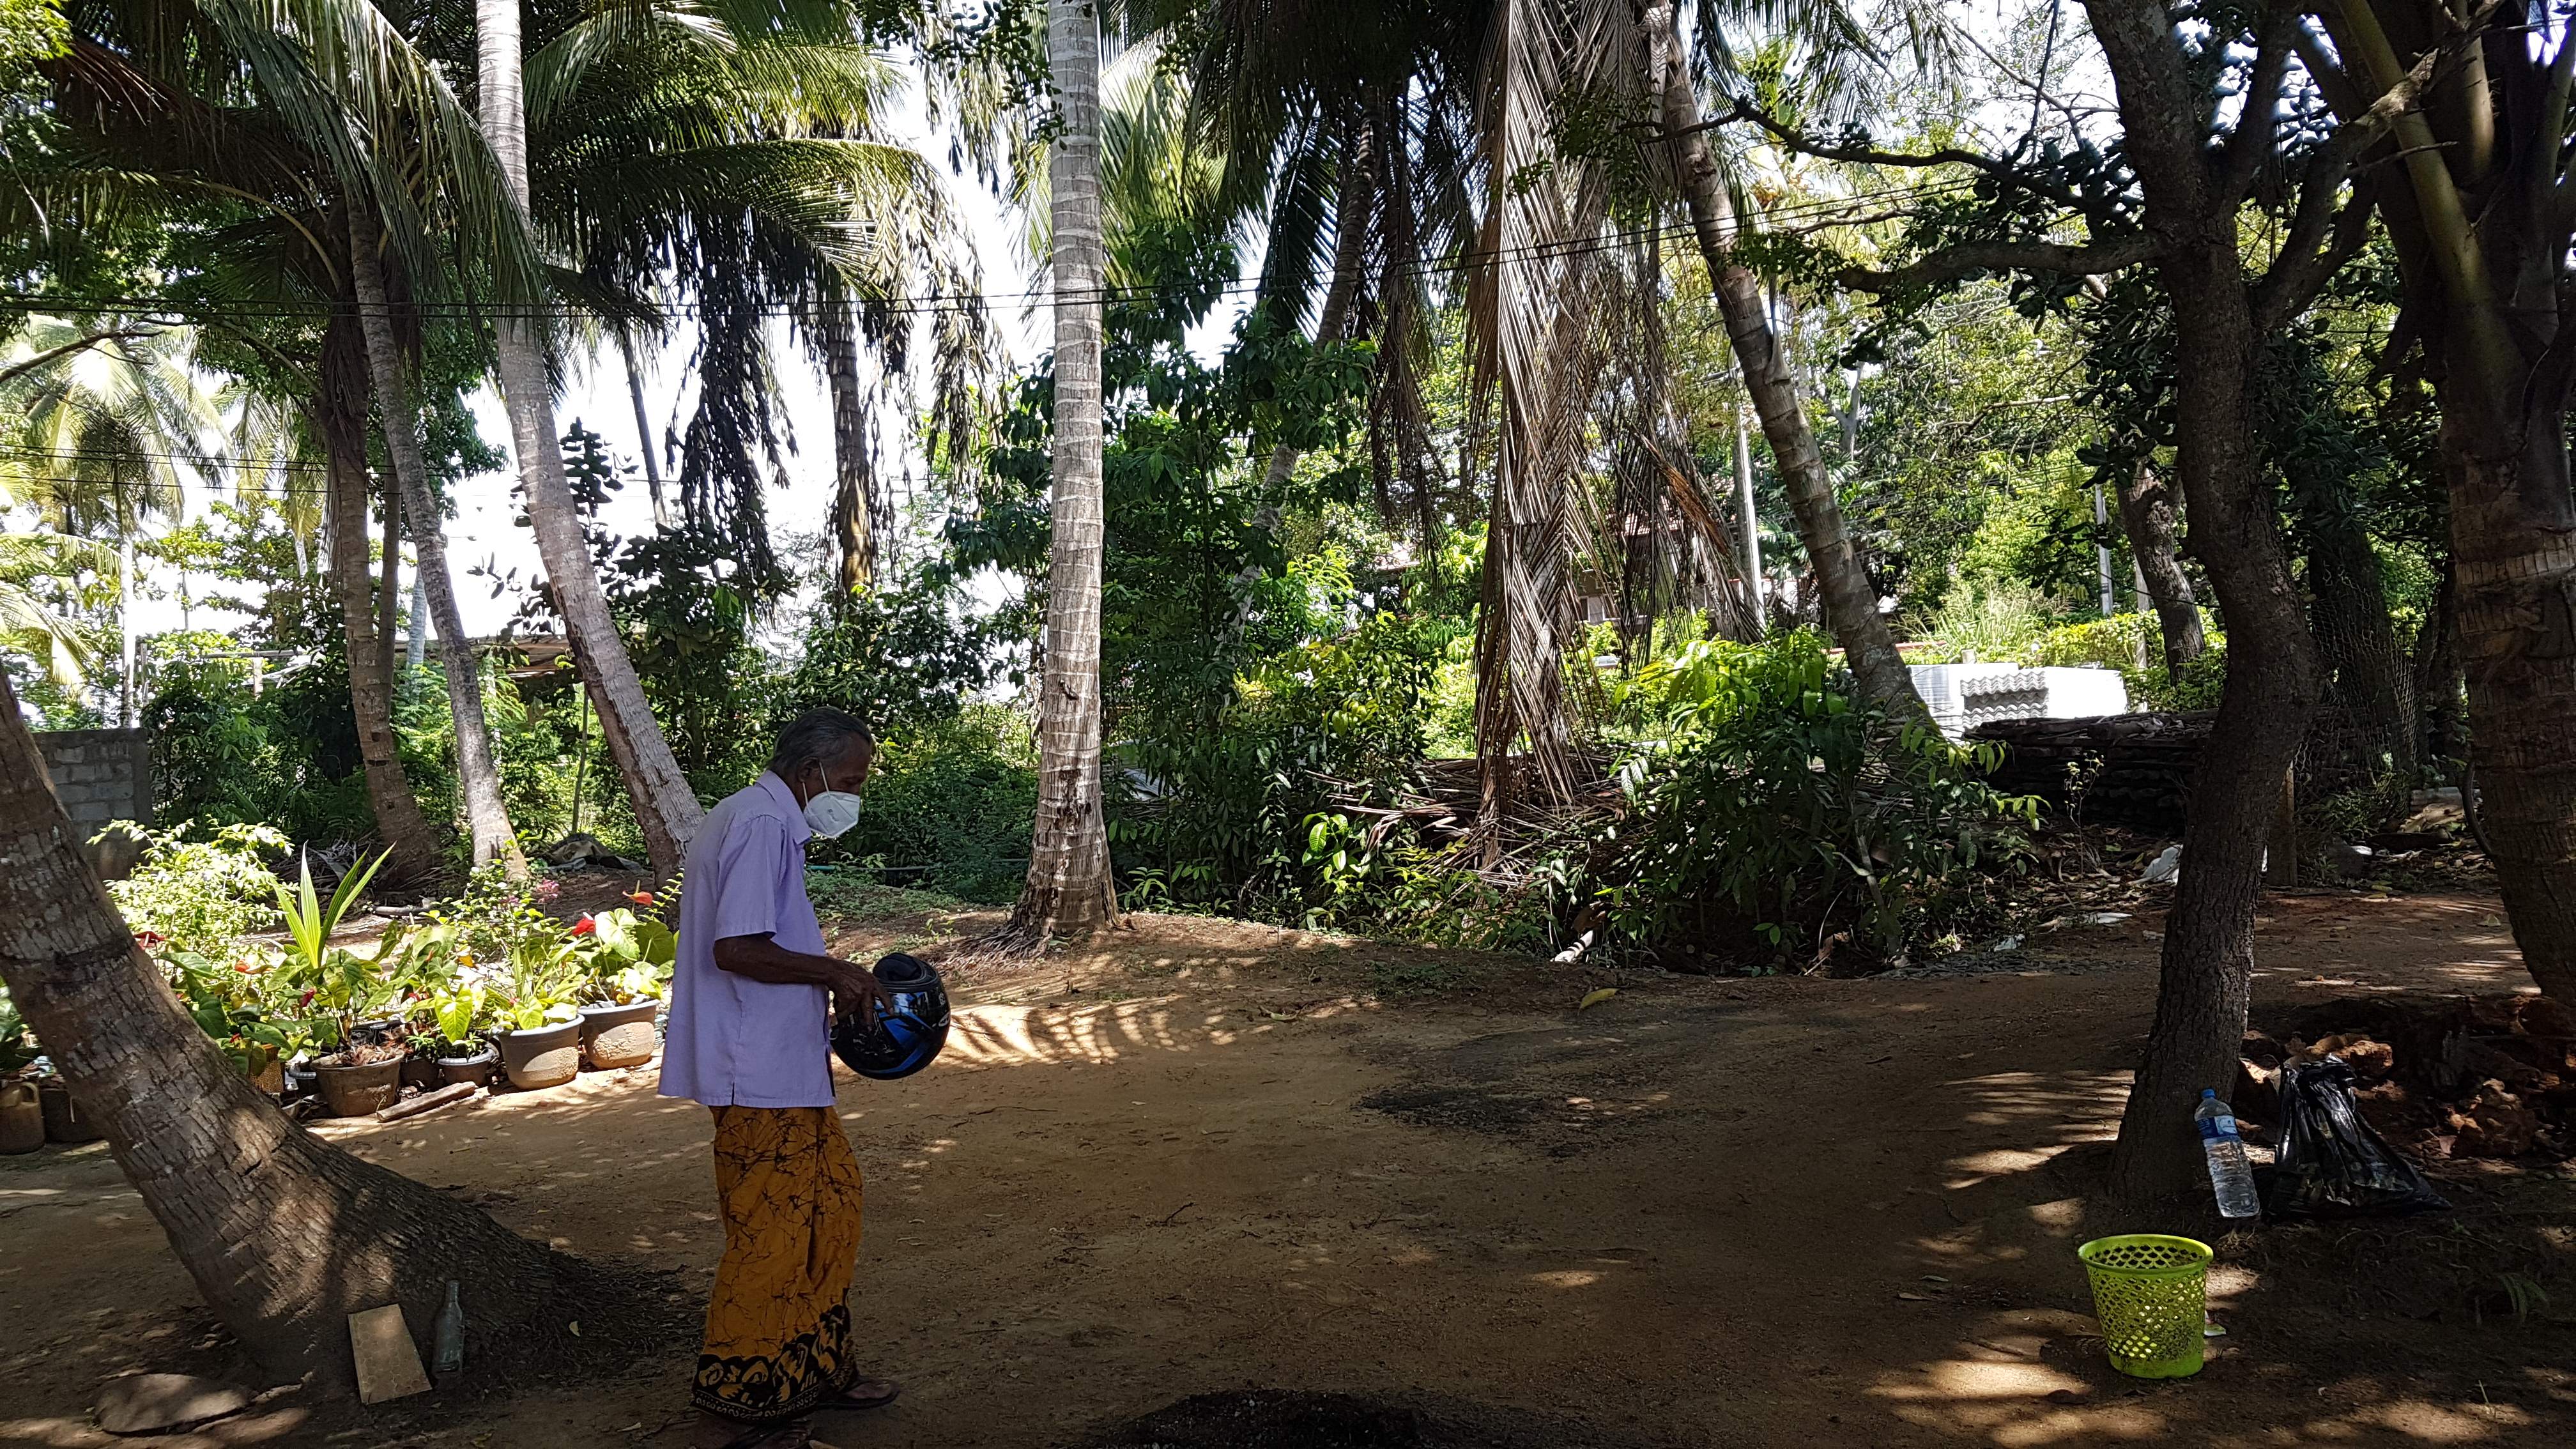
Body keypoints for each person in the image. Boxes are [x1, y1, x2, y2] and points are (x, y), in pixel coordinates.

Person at [659, 708, 901, 1449]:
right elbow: (737, 948)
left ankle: (816, 1368)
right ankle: (737, 1411)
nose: (853, 797)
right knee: (770, 1237)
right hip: (754, 1072)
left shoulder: (758, 816)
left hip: (783, 1070)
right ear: (811, 773)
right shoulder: (763, 825)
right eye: (851, 781)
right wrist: (834, 971)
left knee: (831, 1207)